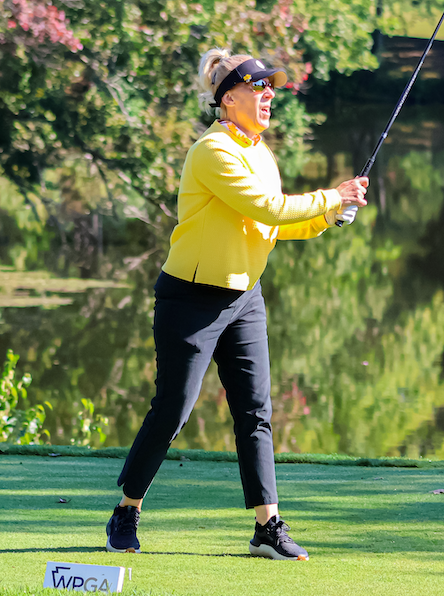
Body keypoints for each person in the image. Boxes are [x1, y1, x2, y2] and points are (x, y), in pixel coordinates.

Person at [104, 49, 368, 561]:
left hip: (245, 296)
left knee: (255, 410)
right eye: (259, 88)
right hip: (192, 298)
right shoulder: (213, 150)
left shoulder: (260, 153)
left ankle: (267, 528)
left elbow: (271, 224)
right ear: (229, 98)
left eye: (272, 89)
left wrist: (330, 217)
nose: (269, 96)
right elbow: (266, 206)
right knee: (174, 409)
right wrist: (332, 197)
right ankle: (126, 510)